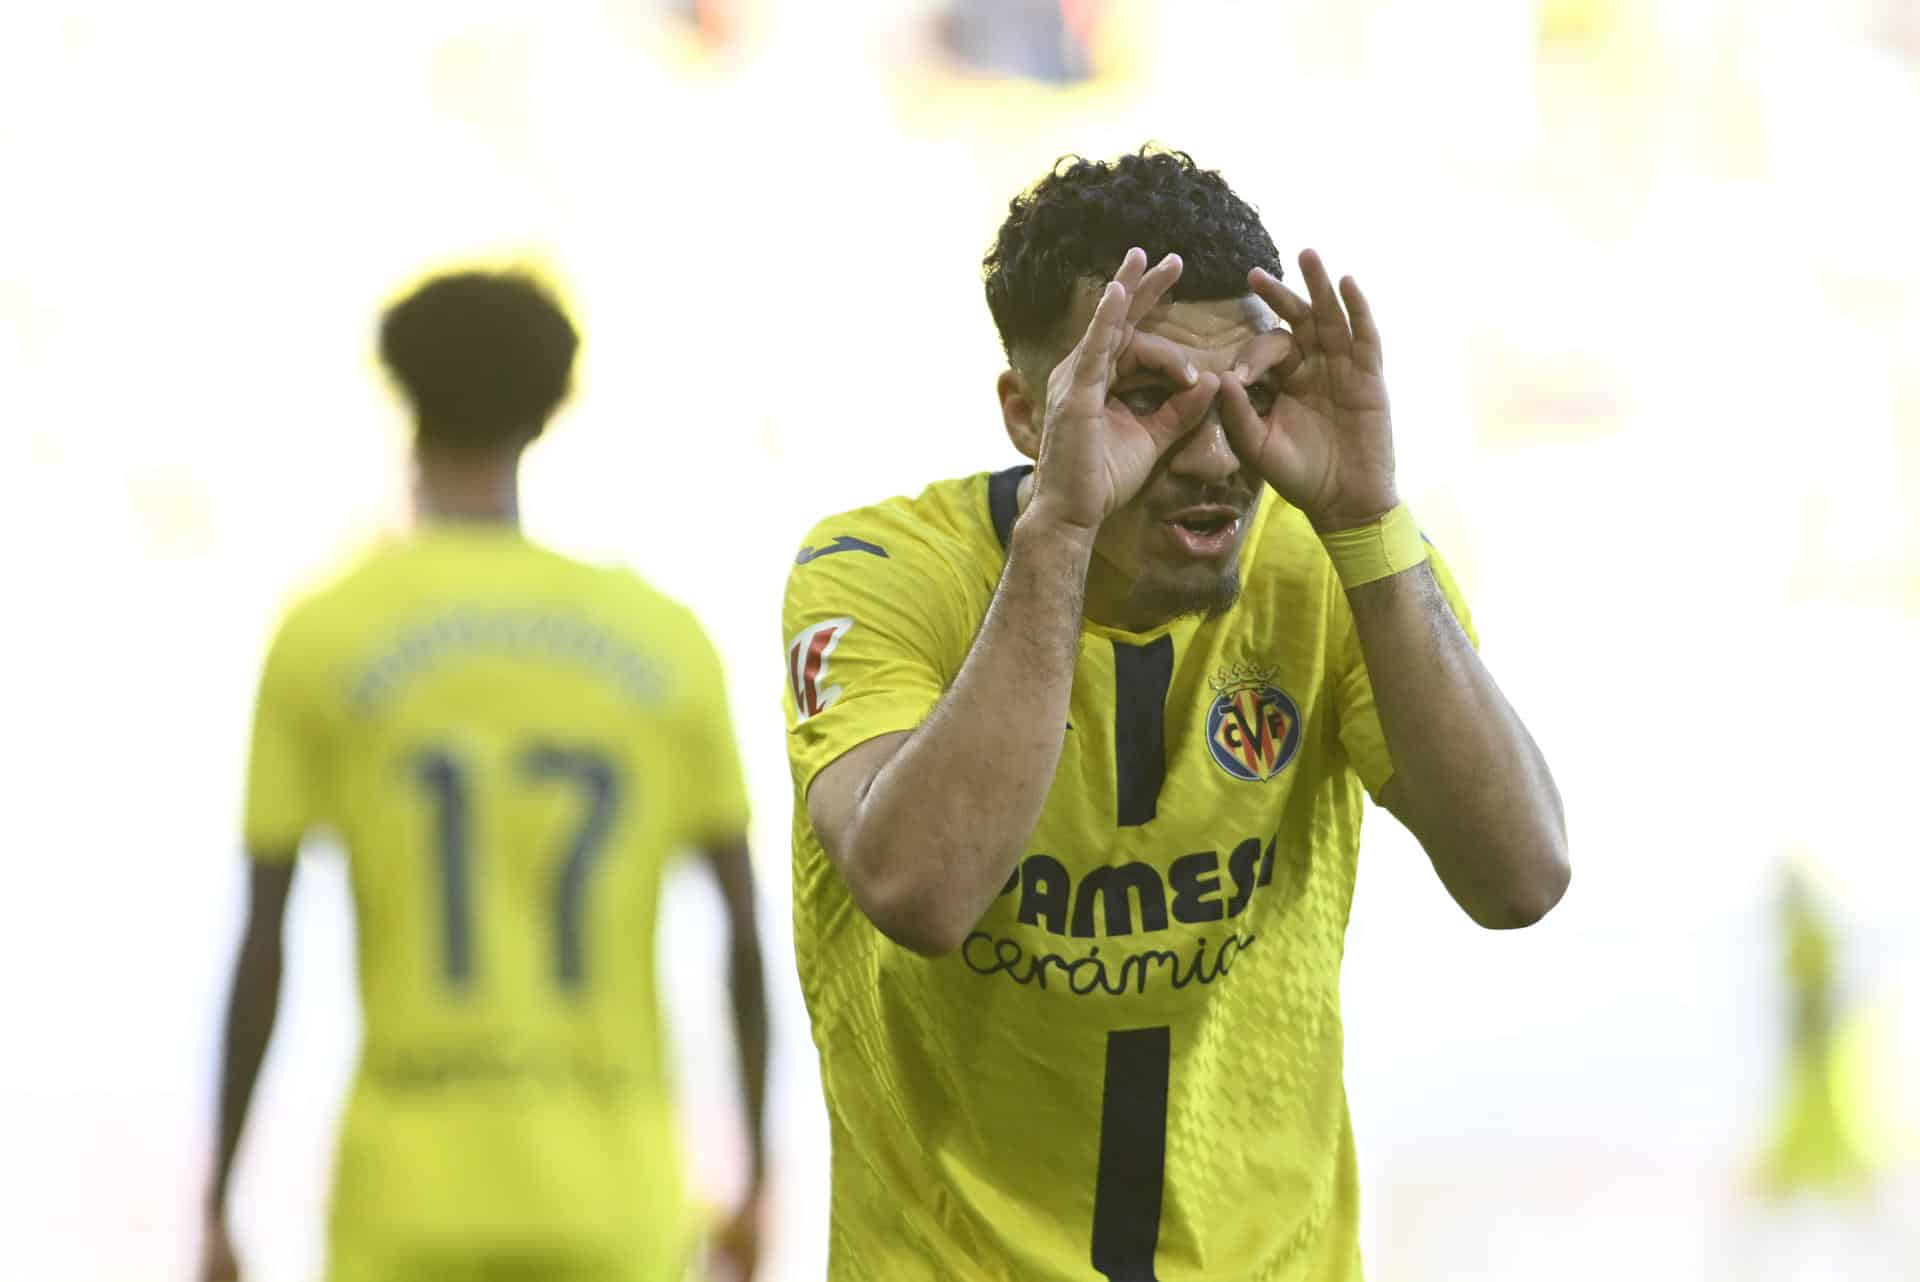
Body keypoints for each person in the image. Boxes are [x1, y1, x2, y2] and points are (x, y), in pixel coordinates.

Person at [780, 147, 1570, 1281]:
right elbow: (922, 887)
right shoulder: (879, 570)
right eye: (1143, 398)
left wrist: (1369, 518)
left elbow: (1522, 875)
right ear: (1024, 410)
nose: (1213, 456)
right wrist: (1059, 531)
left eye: (1249, 396)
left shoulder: (1331, 564)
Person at [204, 271, 768, 1282]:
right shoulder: (663, 640)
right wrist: (760, 1176)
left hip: (407, 1196)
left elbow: (265, 934)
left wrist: (219, 1195)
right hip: (614, 1195)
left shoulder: (325, 632)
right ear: (548, 414)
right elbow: (741, 924)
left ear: (406, 407)